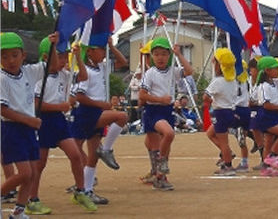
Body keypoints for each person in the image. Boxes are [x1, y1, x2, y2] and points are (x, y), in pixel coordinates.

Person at [27, 38, 97, 214]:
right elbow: (37, 104)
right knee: (39, 163)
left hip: (59, 121)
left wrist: (78, 57)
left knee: (75, 155)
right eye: (60, 57)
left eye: (66, 57)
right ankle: (32, 199)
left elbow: (83, 76)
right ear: (46, 57)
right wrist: (60, 106)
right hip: (43, 121)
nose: (64, 61)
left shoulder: (64, 75)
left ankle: (80, 191)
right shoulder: (39, 78)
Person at [1, 32, 58, 219]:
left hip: (28, 130)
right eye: (4, 55)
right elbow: (3, 110)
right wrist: (30, 120)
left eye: (14, 55)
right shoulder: (2, 78)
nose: (10, 60)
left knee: (32, 173)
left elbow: (52, 66)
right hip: (12, 129)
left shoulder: (28, 72)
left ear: (23, 55)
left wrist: (53, 47)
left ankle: (19, 211)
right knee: (25, 173)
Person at [71, 38, 128, 204]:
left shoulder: (101, 67)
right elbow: (80, 96)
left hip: (95, 112)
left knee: (92, 156)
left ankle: (86, 190)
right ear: (89, 51)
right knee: (121, 116)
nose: (103, 53)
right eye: (100, 49)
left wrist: (111, 46)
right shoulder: (84, 71)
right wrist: (101, 104)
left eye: (104, 49)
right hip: (87, 113)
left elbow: (123, 62)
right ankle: (107, 150)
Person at [139, 37, 193, 190]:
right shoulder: (150, 73)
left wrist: (179, 54)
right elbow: (142, 95)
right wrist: (160, 99)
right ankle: (161, 164)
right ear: (152, 56)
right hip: (153, 111)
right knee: (168, 134)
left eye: (163, 54)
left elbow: (189, 71)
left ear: (169, 56)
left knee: (160, 144)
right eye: (156, 54)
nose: (160, 57)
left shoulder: (172, 72)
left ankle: (159, 177)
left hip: (167, 110)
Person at [204, 48, 237, 176]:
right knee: (210, 133)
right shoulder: (232, 80)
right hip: (230, 111)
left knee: (224, 142)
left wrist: (210, 101)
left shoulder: (217, 81)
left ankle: (228, 165)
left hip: (221, 112)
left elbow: (206, 97)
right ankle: (228, 153)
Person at [256, 56, 278, 177]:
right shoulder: (264, 86)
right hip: (266, 116)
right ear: (267, 71)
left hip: (273, 115)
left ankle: (266, 167)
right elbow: (266, 105)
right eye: (275, 69)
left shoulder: (275, 83)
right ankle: (273, 156)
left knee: (269, 141)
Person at [233, 60, 251, 172]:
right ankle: (244, 161)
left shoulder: (233, 81)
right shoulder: (246, 80)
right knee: (241, 137)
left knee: (240, 138)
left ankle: (226, 155)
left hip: (237, 109)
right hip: (245, 109)